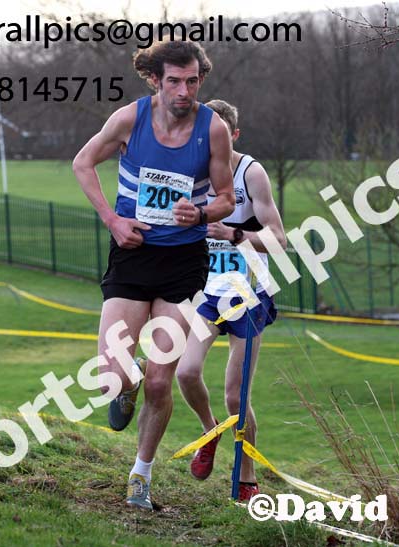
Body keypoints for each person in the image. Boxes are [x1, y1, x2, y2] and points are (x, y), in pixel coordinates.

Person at [72, 41, 235, 510]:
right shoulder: (129, 119)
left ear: (200, 79)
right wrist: (113, 220)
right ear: (155, 81)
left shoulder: (214, 129)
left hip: (184, 263)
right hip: (133, 254)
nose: (184, 91)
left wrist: (201, 213)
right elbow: (83, 163)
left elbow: (225, 197)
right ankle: (126, 385)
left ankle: (140, 475)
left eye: (192, 81)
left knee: (162, 382)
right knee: (113, 374)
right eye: (174, 82)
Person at [175, 99, 286, 502]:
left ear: (233, 135)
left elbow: (280, 239)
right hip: (207, 296)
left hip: (249, 297)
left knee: (236, 396)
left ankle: (247, 477)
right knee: (186, 373)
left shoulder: (250, 173)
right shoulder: (191, 174)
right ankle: (210, 431)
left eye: (220, 133)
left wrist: (236, 235)